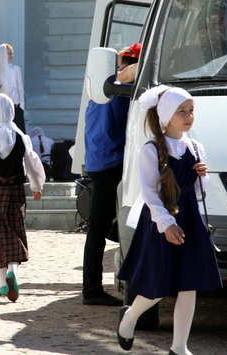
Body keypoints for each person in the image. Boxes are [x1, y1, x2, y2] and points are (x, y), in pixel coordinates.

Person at [116, 85, 222, 354]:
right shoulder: (150, 150)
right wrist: (167, 225)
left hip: (190, 219)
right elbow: (150, 194)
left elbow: (199, 192)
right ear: (165, 116)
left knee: (189, 284)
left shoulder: (196, 147)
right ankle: (129, 317)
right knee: (159, 284)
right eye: (181, 112)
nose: (188, 116)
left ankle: (179, 347)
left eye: (191, 111)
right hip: (161, 220)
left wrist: (203, 177)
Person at [81, 42, 141, 306]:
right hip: (111, 163)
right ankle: (92, 290)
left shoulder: (101, 88)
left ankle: (92, 288)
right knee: (103, 228)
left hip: (98, 162)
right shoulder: (120, 92)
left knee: (98, 228)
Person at [0, 94, 45, 302]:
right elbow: (32, 163)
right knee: (14, 232)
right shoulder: (21, 137)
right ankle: (12, 271)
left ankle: (2, 284)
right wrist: (36, 186)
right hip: (15, 192)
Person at [0, 43, 26, 132]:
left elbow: (20, 89)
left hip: (16, 106)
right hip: (1, 107)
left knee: (18, 133)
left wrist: (22, 107)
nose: (12, 56)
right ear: (2, 54)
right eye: (9, 54)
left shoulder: (16, 69)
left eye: (12, 53)